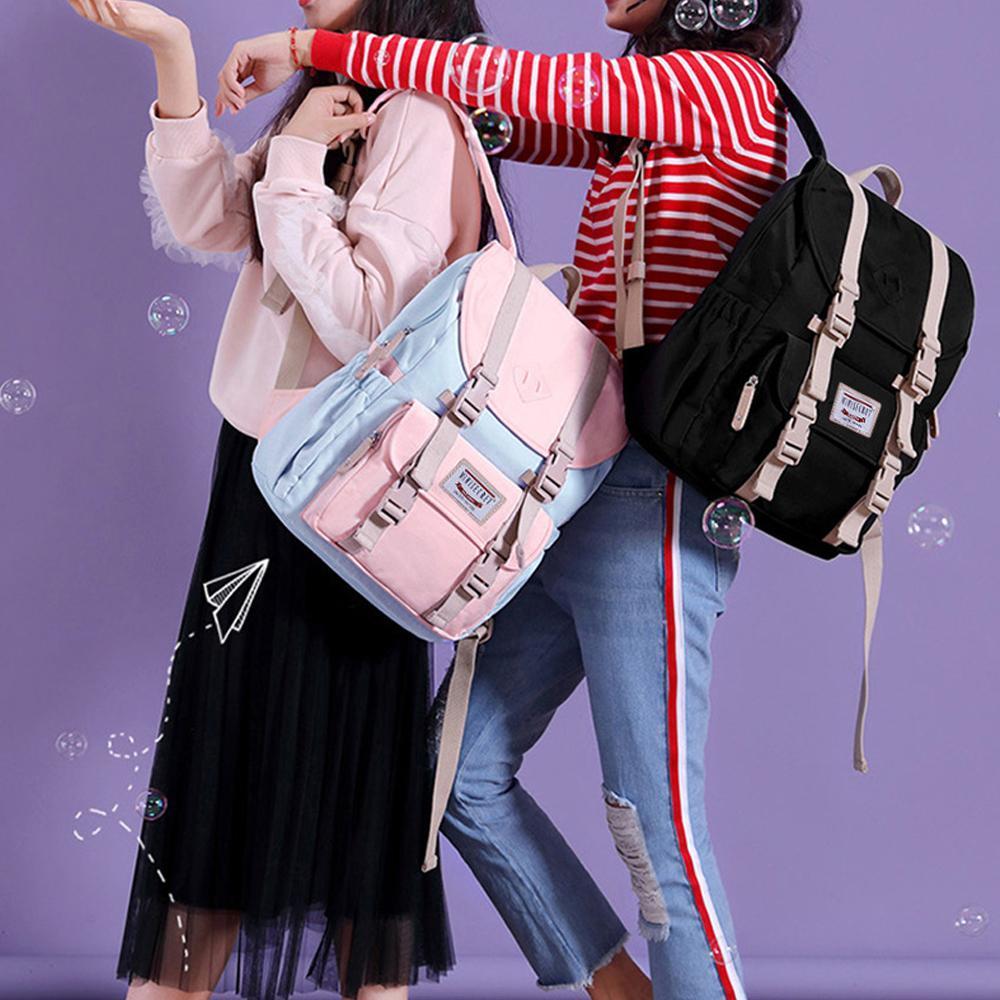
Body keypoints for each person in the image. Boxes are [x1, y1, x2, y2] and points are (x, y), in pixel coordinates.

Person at [212, 1, 801, 998]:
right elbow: (504, 115)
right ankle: (619, 987)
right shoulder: (644, 108)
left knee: (655, 819)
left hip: (657, 499)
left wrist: (311, 47)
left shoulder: (719, 86)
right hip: (572, 482)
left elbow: (526, 85)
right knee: (457, 773)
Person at [63, 1, 505, 998]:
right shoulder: (350, 96)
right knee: (259, 745)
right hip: (273, 469)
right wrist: (174, 53)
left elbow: (368, 323)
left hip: (339, 486)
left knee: (317, 752)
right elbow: (210, 220)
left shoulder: (420, 116)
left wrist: (299, 159)